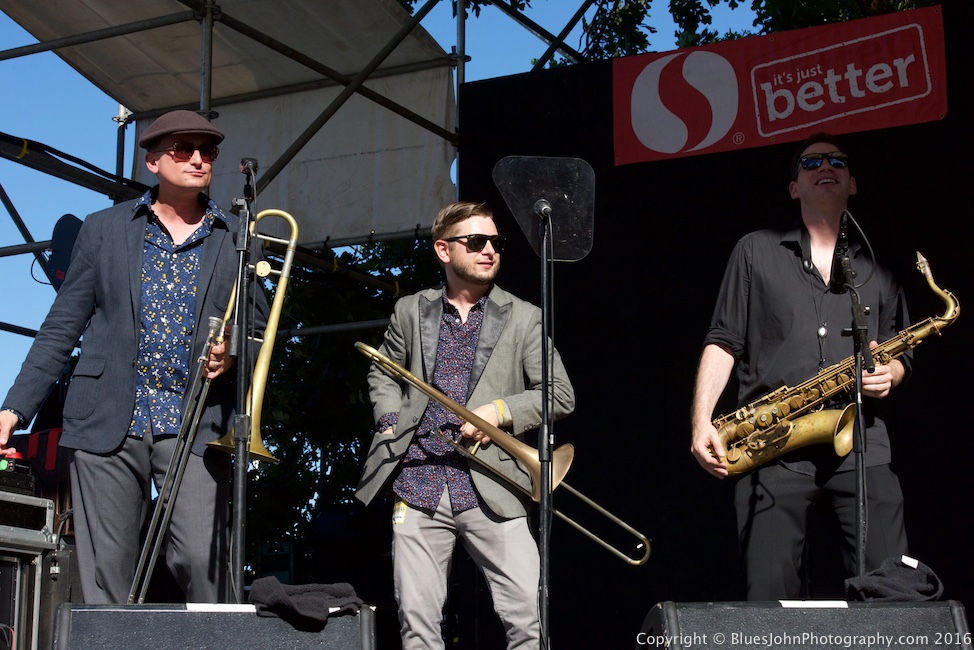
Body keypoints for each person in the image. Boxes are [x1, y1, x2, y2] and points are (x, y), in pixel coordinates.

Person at [0, 109, 266, 604]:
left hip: (196, 419)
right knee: (106, 572)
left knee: (203, 560)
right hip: (106, 414)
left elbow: (257, 332)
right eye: (183, 150)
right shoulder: (104, 229)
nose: (198, 159)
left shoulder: (236, 235)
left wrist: (233, 356)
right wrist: (15, 407)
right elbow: (62, 325)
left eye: (207, 152)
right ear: (151, 162)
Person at [690, 133, 911, 600]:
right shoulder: (755, 250)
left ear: (853, 182)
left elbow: (898, 349)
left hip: (862, 446)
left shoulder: (880, 263)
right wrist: (701, 421)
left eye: (836, 161)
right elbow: (723, 340)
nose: (823, 166)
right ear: (794, 187)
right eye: (810, 162)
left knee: (893, 594)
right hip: (773, 445)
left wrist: (890, 373)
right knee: (769, 600)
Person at [355, 201, 575, 649]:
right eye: (476, 242)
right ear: (443, 249)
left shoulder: (524, 317)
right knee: (418, 630)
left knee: (529, 625)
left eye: (496, 242)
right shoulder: (410, 311)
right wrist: (390, 419)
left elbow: (560, 394)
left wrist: (499, 412)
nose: (489, 250)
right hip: (418, 483)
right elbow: (382, 371)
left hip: (494, 483)